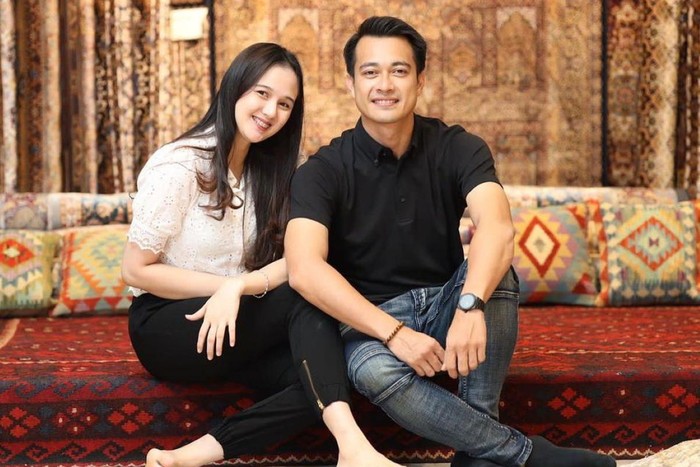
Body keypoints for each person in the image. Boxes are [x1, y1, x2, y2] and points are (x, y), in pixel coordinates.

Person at [284, 16, 617, 467]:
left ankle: (478, 448)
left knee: (498, 273)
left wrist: (469, 305)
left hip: (447, 301)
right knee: (371, 370)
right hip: (372, 319)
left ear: (420, 80)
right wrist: (395, 333)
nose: (385, 84)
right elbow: (305, 270)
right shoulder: (322, 170)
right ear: (351, 84)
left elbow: (497, 228)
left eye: (399, 70)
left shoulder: (459, 146)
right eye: (370, 72)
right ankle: (519, 454)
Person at [121, 42, 401, 467]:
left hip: (235, 321)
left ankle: (194, 455)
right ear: (236, 87)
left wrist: (240, 287)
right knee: (304, 295)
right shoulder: (180, 165)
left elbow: (300, 257)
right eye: (262, 94)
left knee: (324, 378)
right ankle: (355, 450)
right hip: (169, 325)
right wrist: (227, 287)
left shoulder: (273, 173)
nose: (271, 111)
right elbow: (136, 269)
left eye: (285, 104)